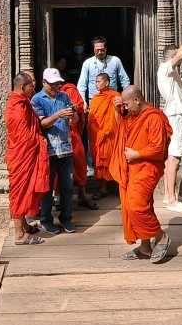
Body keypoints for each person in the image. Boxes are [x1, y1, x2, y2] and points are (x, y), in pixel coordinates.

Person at [109, 85, 172, 264]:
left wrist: (137, 154)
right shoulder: (134, 116)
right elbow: (120, 129)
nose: (126, 108)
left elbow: (158, 147)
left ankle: (160, 236)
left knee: (136, 205)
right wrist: (117, 109)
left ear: (137, 99)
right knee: (141, 205)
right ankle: (145, 247)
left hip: (148, 168)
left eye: (127, 104)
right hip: (133, 168)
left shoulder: (153, 118)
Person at [4, 72, 50, 245]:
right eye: (31, 84)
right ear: (23, 87)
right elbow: (23, 137)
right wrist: (40, 140)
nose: (34, 87)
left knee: (25, 191)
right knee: (20, 192)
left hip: (24, 154)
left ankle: (23, 225)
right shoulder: (17, 105)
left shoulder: (23, 103)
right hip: (21, 155)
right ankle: (19, 235)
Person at [31, 67, 76, 235]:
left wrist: (74, 114)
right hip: (48, 150)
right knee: (47, 187)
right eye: (53, 84)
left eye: (58, 84)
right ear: (44, 83)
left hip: (65, 147)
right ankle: (46, 220)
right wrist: (58, 114)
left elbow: (74, 120)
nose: (56, 87)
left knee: (67, 186)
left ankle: (66, 218)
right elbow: (42, 124)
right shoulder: (37, 100)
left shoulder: (64, 96)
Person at [156, 43, 182, 212]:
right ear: (171, 56)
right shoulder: (164, 68)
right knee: (175, 157)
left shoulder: (173, 73)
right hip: (176, 115)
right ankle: (172, 200)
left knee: (171, 157)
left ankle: (168, 196)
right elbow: (179, 55)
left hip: (178, 114)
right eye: (177, 56)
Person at [60, 78, 99, 210]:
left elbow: (78, 111)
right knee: (60, 169)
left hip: (73, 135)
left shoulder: (70, 90)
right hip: (58, 135)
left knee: (80, 164)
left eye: (56, 84)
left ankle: (82, 194)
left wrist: (75, 112)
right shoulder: (44, 98)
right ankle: (61, 198)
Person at [87, 71, 119, 196]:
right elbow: (92, 116)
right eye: (95, 81)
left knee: (109, 159)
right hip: (97, 134)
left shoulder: (115, 96)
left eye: (99, 81)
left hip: (110, 133)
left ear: (107, 82)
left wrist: (109, 130)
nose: (96, 84)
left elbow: (117, 116)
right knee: (99, 160)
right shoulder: (95, 98)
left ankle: (109, 186)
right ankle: (103, 187)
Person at [77, 37, 131, 107]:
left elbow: (125, 80)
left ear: (106, 49)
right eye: (97, 50)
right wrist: (83, 102)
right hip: (94, 102)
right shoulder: (87, 63)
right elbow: (82, 85)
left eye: (102, 50)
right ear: (94, 49)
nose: (99, 52)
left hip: (113, 101)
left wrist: (124, 98)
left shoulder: (115, 60)